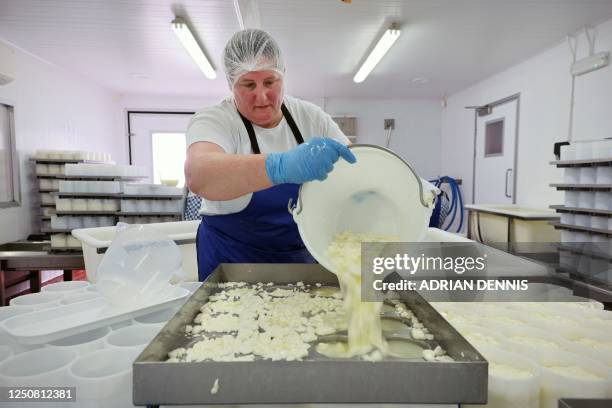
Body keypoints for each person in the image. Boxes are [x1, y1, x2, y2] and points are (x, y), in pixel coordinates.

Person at [185, 29, 356, 281]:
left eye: (269, 82)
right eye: (248, 84)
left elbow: (357, 172)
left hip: (298, 260)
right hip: (230, 260)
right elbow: (199, 174)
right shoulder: (216, 119)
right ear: (232, 84)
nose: (261, 96)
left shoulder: (311, 118)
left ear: (283, 77)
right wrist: (281, 166)